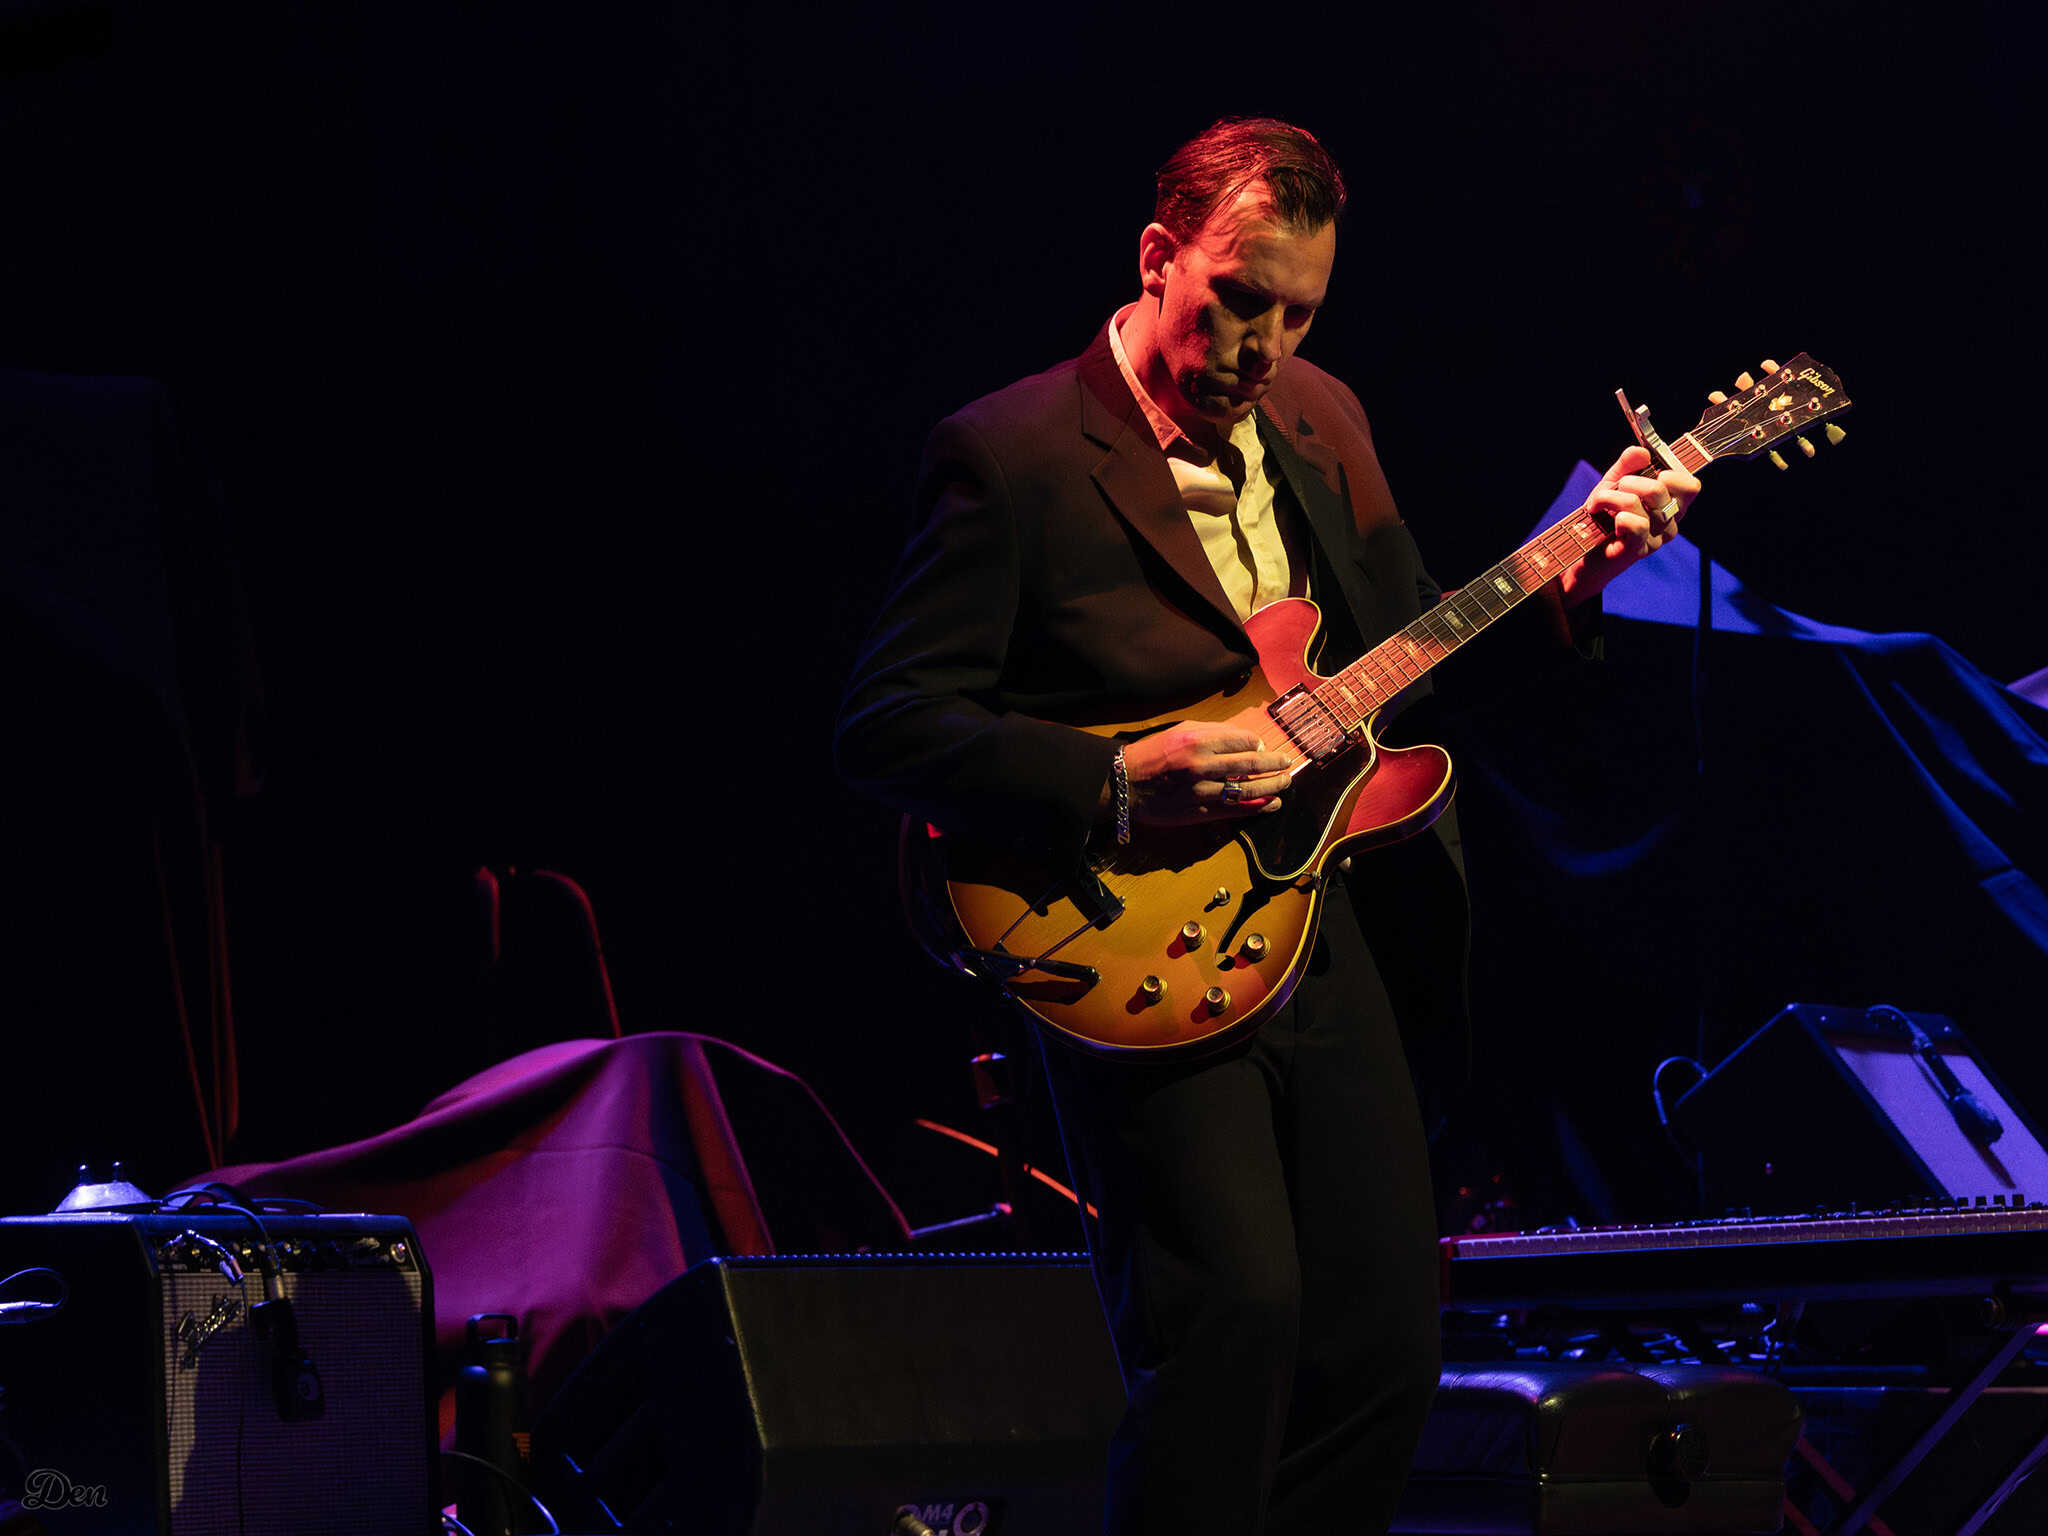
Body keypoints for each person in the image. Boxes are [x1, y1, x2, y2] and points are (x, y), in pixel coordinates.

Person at [836, 117, 1715, 1534]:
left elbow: (1414, 654)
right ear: (1158, 257)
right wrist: (1119, 780)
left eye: (1298, 313)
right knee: (1229, 1326)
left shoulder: (1323, 415)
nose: (1264, 347)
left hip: (1325, 917)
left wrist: (1575, 579)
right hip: (1133, 937)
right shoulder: (1013, 453)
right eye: (1238, 301)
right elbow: (886, 724)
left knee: (1384, 1344)